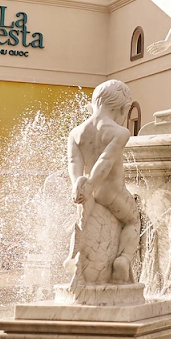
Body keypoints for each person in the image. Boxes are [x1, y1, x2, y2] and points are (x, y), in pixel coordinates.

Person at [66, 79, 141, 290]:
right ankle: (123, 259)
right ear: (124, 108)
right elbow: (106, 162)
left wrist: (78, 184)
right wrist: (90, 184)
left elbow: (74, 162)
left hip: (89, 193)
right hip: (111, 192)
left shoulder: (77, 132)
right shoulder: (119, 132)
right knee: (133, 221)